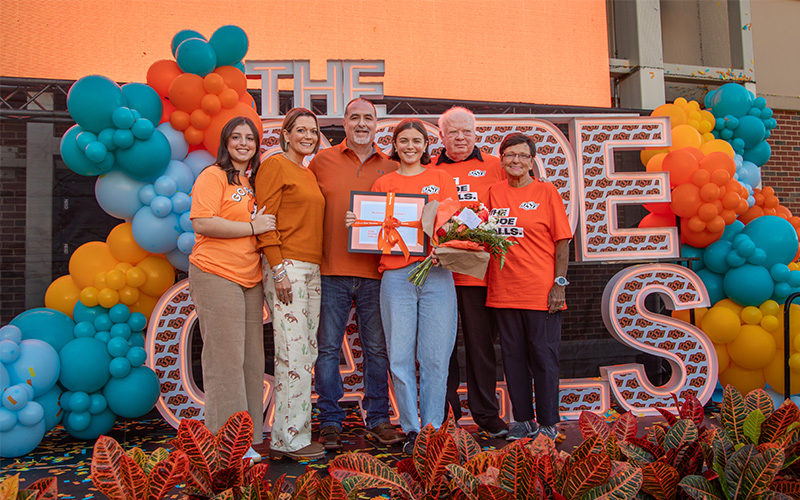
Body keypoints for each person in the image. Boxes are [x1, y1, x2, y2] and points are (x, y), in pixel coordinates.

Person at [349, 118, 459, 454]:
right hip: (396, 277)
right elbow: (373, 229)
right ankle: (411, 429)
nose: (410, 146)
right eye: (403, 141)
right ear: (394, 146)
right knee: (398, 357)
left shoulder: (441, 178)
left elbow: (454, 225)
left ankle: (432, 429)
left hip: (436, 275)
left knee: (435, 358)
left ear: (426, 146)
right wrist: (358, 224)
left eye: (416, 141)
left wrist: (447, 247)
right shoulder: (383, 183)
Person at [308, 98, 403, 451]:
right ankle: (330, 420)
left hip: (377, 273)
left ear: (377, 125)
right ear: (344, 123)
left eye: (369, 118)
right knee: (328, 348)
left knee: (377, 349)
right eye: (355, 117)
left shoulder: (392, 167)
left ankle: (378, 418)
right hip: (329, 269)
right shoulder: (322, 161)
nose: (362, 123)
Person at [188, 116, 276, 462]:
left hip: (250, 277)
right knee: (224, 359)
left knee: (251, 360)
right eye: (236, 137)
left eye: (250, 138)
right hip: (215, 272)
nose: (243, 143)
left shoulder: (254, 180)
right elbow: (203, 222)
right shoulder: (212, 176)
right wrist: (252, 226)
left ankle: (248, 438)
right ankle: (227, 444)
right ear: (225, 143)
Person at [485, 133, 571, 441]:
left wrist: (559, 284)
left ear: (532, 160)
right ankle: (523, 420)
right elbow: (482, 233)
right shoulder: (493, 192)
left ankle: (548, 421)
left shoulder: (547, 192)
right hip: (503, 292)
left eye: (522, 155)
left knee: (543, 358)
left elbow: (562, 243)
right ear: (502, 160)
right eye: (509, 155)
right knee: (512, 358)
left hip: (541, 292)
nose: (515, 161)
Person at [254, 108, 326, 460]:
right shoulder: (275, 165)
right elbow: (264, 219)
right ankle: (288, 441)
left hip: (312, 267)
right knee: (292, 351)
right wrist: (278, 269)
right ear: (285, 133)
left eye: (313, 131)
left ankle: (290, 435)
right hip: (288, 267)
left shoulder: (307, 173)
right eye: (301, 130)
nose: (308, 136)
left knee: (305, 351)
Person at [434, 106, 508, 437]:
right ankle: (447, 412)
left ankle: (486, 414)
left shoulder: (495, 165)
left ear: (476, 133)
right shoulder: (428, 168)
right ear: (441, 136)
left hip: (479, 274)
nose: (460, 138)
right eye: (453, 132)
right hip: (440, 274)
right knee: (441, 346)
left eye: (466, 131)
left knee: (480, 345)